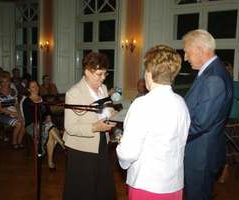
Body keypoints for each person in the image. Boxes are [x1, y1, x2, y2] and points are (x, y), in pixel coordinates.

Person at [116, 45, 191, 200]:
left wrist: (120, 146)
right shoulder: (180, 102)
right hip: (174, 184)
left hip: (147, 184)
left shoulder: (142, 104)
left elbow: (128, 152)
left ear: (149, 74)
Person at [182, 29, 233, 200]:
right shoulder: (212, 72)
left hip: (200, 156)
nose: (185, 58)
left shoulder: (214, 77)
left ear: (200, 51)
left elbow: (201, 123)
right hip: (200, 154)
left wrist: (174, 135)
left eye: (187, 53)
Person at [62, 52, 118, 200]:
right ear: (87, 72)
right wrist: (94, 127)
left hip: (101, 142)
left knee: (101, 184)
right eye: (99, 74)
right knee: (83, 188)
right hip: (81, 148)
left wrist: (112, 114)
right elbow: (70, 127)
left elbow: (104, 110)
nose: (103, 78)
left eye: (105, 74)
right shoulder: (74, 93)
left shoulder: (103, 89)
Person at [23, 80, 65, 172]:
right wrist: (44, 118)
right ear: (28, 89)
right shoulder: (27, 101)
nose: (36, 88)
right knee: (48, 125)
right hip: (31, 125)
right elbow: (30, 118)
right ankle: (63, 144)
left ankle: (50, 161)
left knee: (49, 132)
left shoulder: (43, 99)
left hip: (46, 125)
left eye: (37, 86)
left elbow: (48, 112)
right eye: (33, 86)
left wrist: (48, 116)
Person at [218, 61, 239, 183]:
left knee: (229, 146)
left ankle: (225, 171)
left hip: (232, 118)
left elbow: (238, 94)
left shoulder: (235, 84)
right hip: (220, 118)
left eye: (226, 71)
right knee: (220, 145)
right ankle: (219, 168)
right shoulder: (217, 84)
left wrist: (227, 82)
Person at [0, 72, 25, 150]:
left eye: (6, 81)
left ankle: (19, 140)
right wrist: (14, 113)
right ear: (0, 83)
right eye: (2, 82)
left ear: (9, 82)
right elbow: (0, 108)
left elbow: (16, 103)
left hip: (13, 111)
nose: (4, 84)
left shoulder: (13, 91)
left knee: (25, 122)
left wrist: (18, 111)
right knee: (18, 124)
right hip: (1, 114)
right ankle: (14, 142)